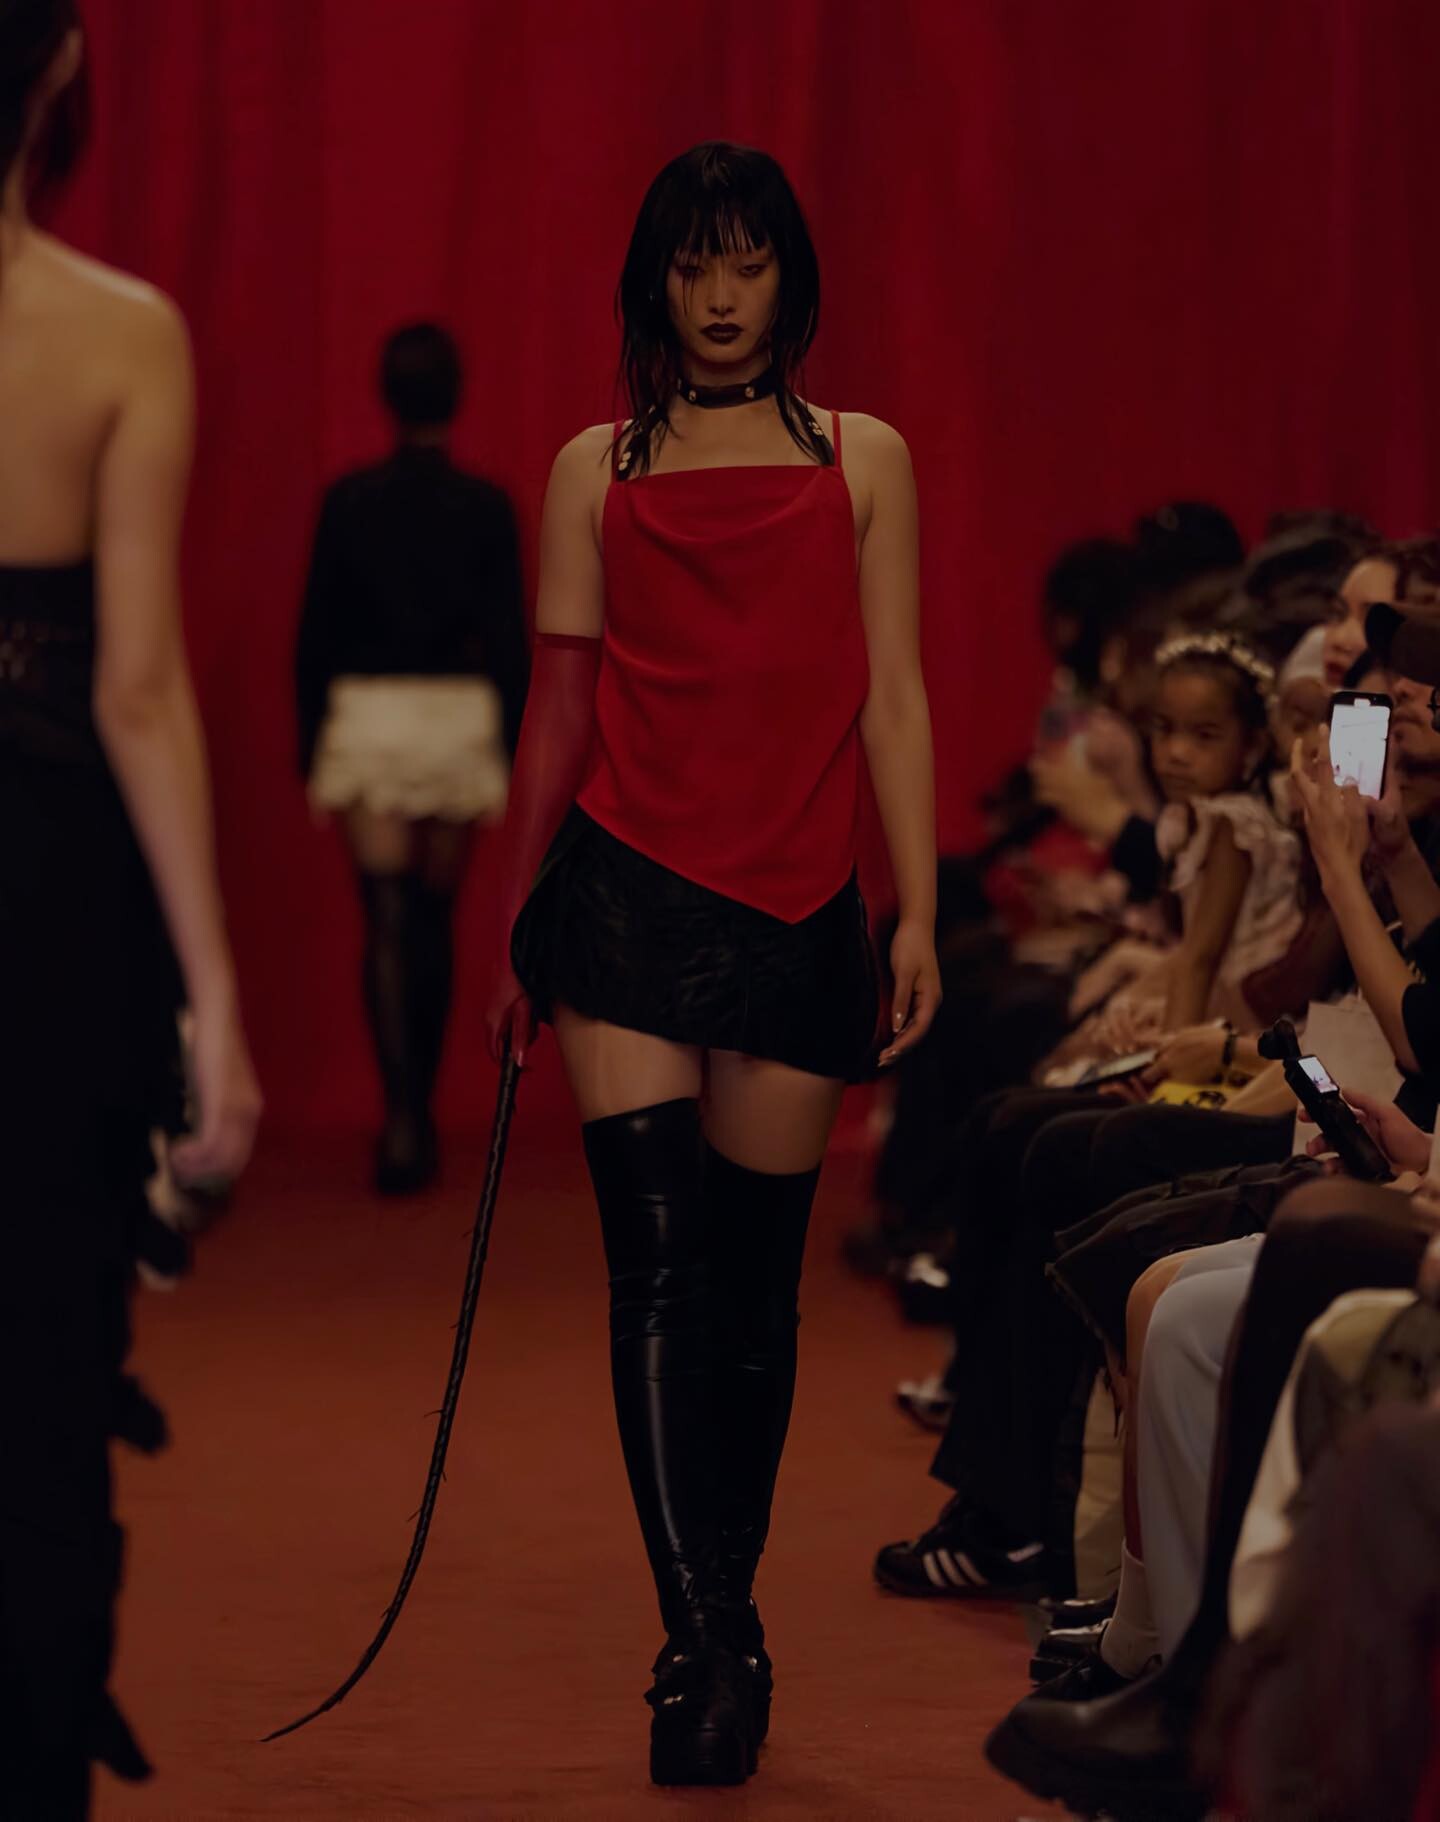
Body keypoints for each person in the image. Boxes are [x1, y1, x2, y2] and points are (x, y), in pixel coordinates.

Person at [483, 141, 939, 1787]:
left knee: (752, 1284)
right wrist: (519, 925)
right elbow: (557, 708)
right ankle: (706, 1637)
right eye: (693, 265)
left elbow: (894, 691)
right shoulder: (591, 468)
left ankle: (720, 1611)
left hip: (802, 899)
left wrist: (917, 909)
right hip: (621, 897)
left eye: (748, 263)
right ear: (655, 282)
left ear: (791, 280)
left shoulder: (865, 458)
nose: (722, 295)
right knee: (661, 1272)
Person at [0, 4, 261, 1812]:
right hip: (43, 903)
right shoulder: (115, 333)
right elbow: (138, 690)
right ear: (53, 80)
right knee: (38, 1378)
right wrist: (214, 1002)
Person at [296, 322, 528, 1193]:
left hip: (370, 717)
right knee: (433, 914)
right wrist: (511, 745)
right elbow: (509, 640)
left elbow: (315, 635)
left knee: (386, 915)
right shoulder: (486, 506)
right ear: (456, 395)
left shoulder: (348, 502)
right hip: (457, 720)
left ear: (385, 394)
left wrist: (310, 739)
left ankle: (401, 1119)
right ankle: (418, 1109)